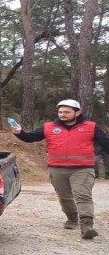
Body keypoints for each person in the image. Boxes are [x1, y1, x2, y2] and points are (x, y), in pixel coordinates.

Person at [11, 99, 109, 239]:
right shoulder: (49, 127)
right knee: (64, 197)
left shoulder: (91, 127)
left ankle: (87, 225)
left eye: (67, 112)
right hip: (57, 168)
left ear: (77, 112)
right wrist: (19, 132)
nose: (63, 114)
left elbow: (106, 144)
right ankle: (72, 218)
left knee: (82, 195)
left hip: (83, 168)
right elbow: (31, 138)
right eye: (60, 112)